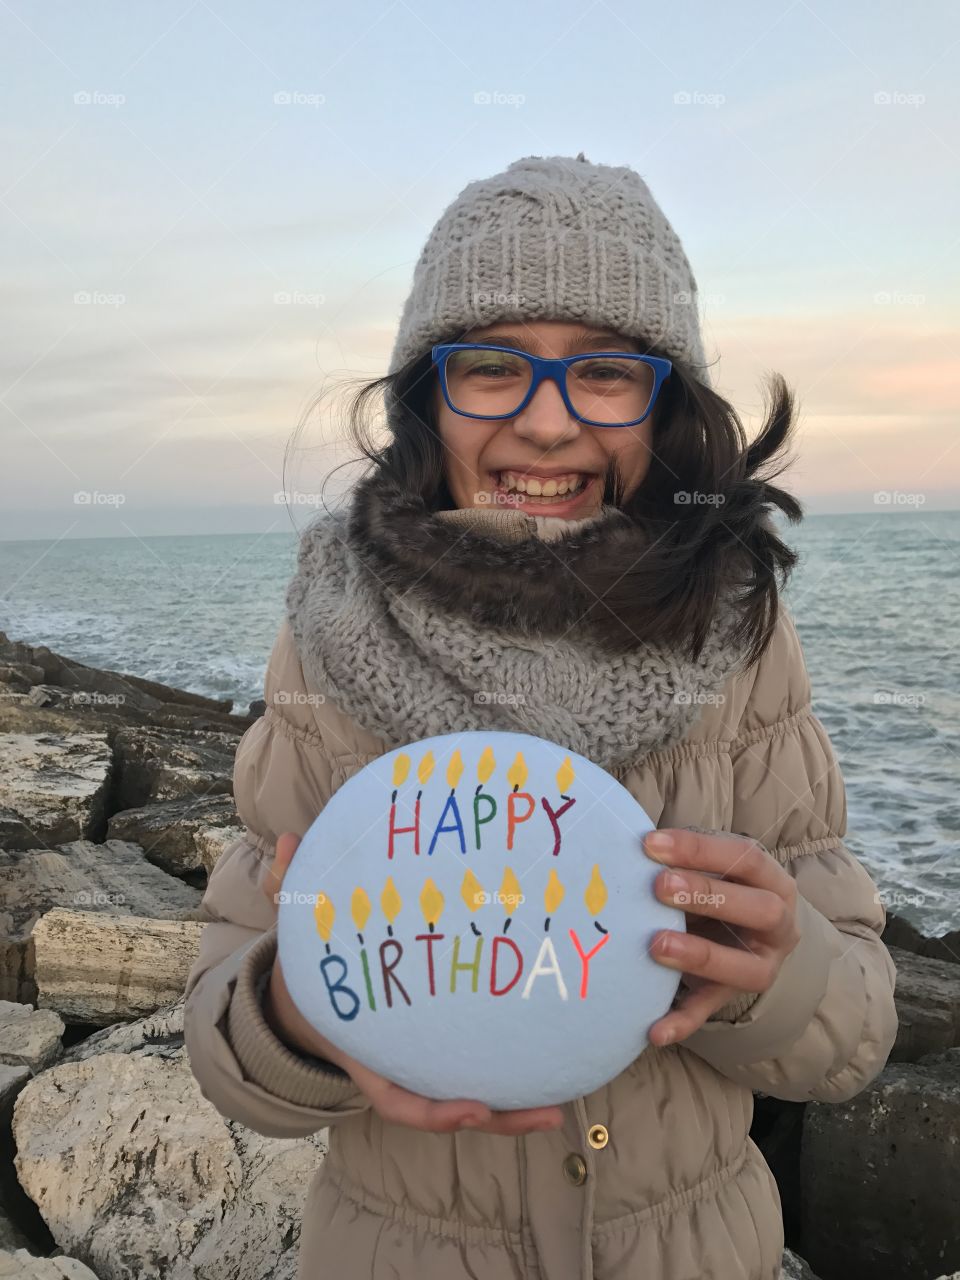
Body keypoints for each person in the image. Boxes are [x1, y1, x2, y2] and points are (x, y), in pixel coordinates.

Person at [183, 153, 899, 1280]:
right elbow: (228, 1048)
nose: (550, 422)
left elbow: (853, 1035)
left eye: (606, 372)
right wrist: (297, 1011)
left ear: (668, 403)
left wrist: (778, 964)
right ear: (429, 395)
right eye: (491, 366)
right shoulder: (331, 637)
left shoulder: (740, 632)